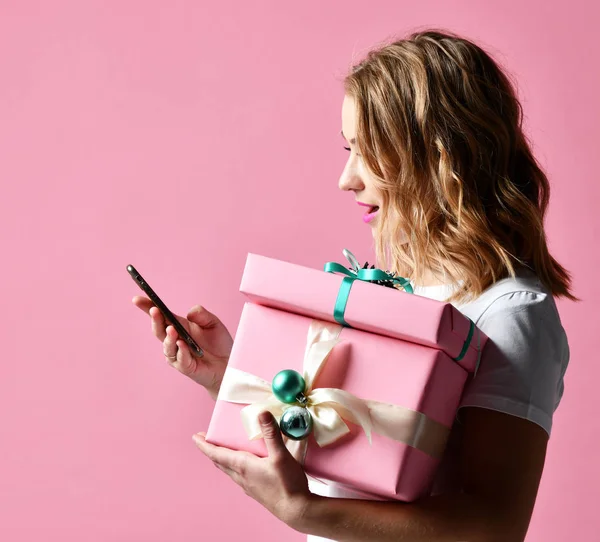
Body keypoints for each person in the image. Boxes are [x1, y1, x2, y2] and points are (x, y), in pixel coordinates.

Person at [132, 29, 574, 542]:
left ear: (441, 156)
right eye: (349, 149)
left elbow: (492, 528)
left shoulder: (509, 313)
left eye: (368, 151)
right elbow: (360, 445)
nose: (347, 178)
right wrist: (229, 377)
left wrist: (305, 512)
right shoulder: (409, 291)